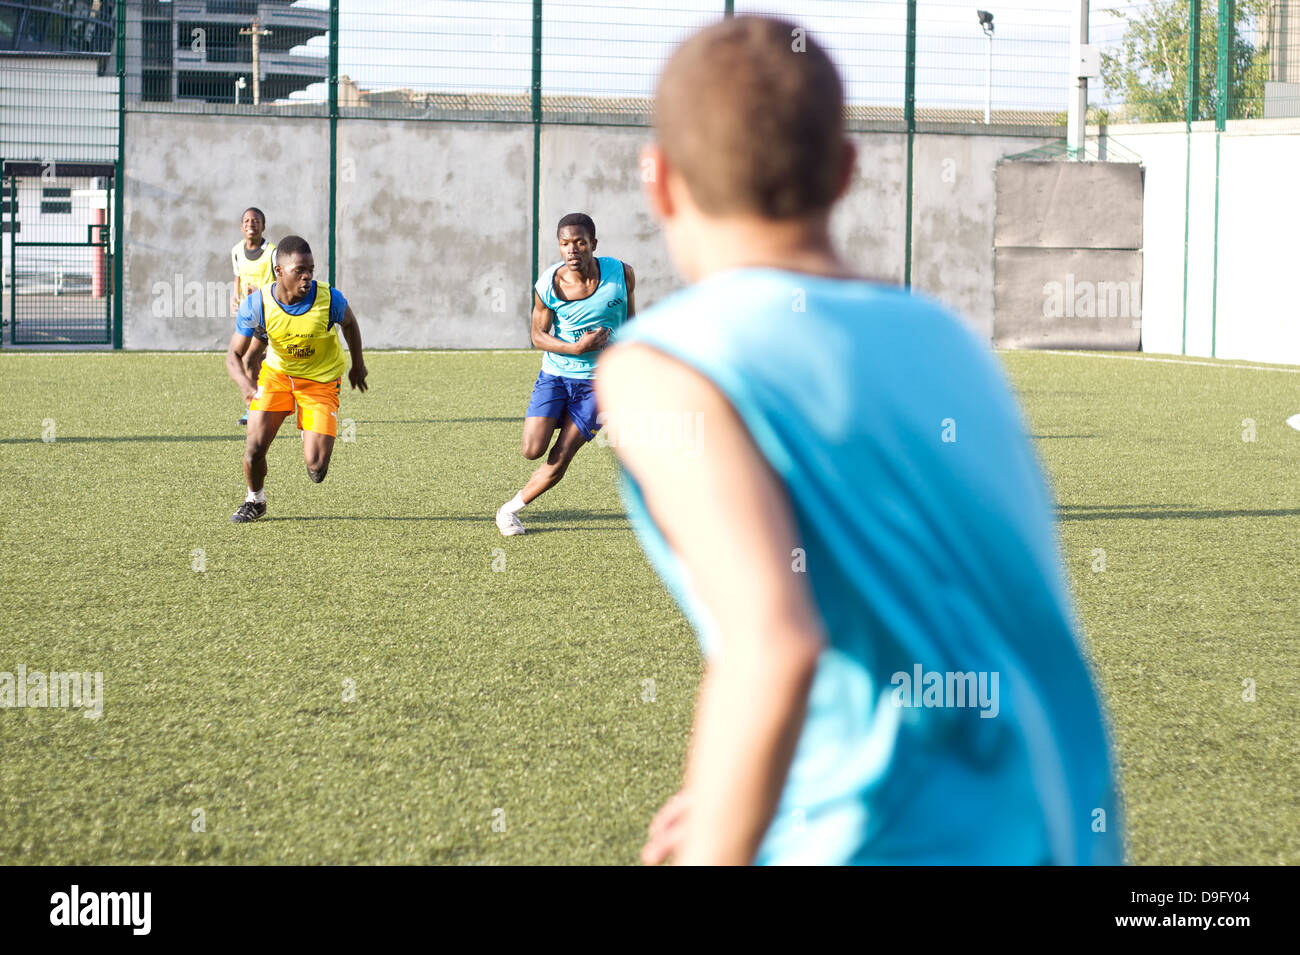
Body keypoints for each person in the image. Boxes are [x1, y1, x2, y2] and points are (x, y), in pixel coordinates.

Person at [594, 15, 1123, 865]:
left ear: (657, 181)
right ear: (845, 172)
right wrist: (744, 794)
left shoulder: (665, 366)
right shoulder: (948, 341)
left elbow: (776, 646)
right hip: (1064, 833)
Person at [495, 213, 635, 536]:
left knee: (561, 456)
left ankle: (508, 511)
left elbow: (630, 323)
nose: (572, 250)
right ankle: (562, 415)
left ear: (593, 245)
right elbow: (536, 335)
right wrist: (576, 348)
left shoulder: (621, 275)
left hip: (598, 386)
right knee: (532, 449)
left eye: (580, 243)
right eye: (565, 244)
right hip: (556, 375)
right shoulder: (548, 285)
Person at [224, 235, 367, 523]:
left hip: (320, 382)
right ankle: (255, 500)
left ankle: (309, 424)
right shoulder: (258, 304)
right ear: (279, 271)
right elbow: (233, 356)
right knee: (253, 449)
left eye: (310, 270)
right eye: (299, 271)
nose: (307, 278)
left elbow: (350, 324)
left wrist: (357, 365)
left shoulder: (329, 299)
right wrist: (245, 383)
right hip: (277, 377)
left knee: (316, 468)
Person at [230, 207, 277, 426]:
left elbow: (281, 283)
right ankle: (252, 408)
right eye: (247, 220)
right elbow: (238, 277)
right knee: (248, 359)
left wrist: (261, 293)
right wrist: (235, 297)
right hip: (250, 315)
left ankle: (266, 404)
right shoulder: (237, 251)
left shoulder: (272, 252)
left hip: (270, 314)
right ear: (241, 226)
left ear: (263, 226)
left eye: (256, 220)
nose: (251, 224)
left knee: (256, 359)